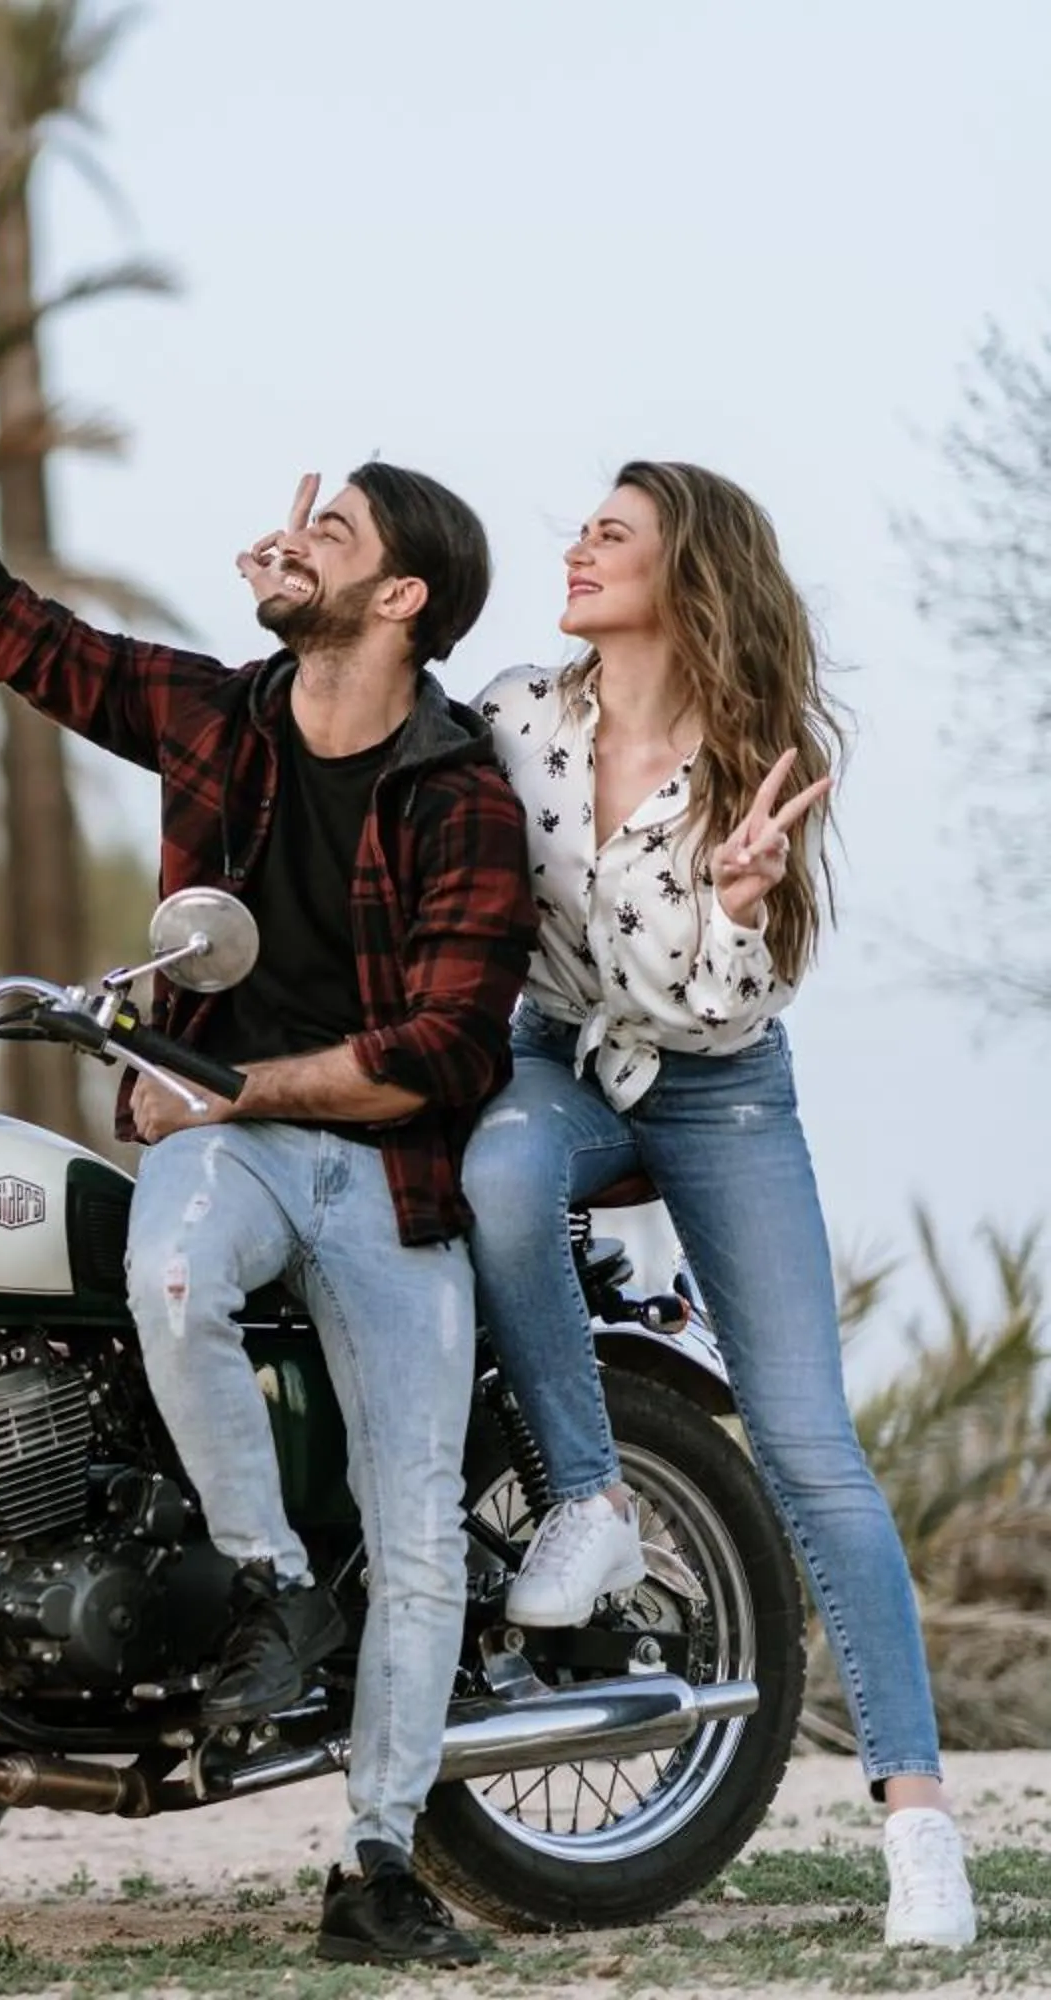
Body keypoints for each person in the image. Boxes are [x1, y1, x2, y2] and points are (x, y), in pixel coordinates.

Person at [0, 338, 535, 1969]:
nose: (297, 538)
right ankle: (265, 1583)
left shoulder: (459, 788)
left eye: (341, 532)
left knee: (417, 1530)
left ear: (403, 601)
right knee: (165, 1266)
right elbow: (4, 625)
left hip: (387, 1173)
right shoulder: (218, 715)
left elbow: (450, 1051)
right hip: (222, 1153)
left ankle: (381, 1862)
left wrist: (243, 1090)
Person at [460, 461, 977, 1950]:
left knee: (811, 1449)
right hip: (556, 1061)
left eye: (611, 534)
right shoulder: (515, 719)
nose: (577, 546)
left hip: (722, 1084)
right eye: (584, 528)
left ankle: (919, 1823)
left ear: (687, 576)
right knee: (500, 1171)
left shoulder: (759, 757)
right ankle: (591, 1499)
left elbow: (709, 1004)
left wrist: (743, 905)